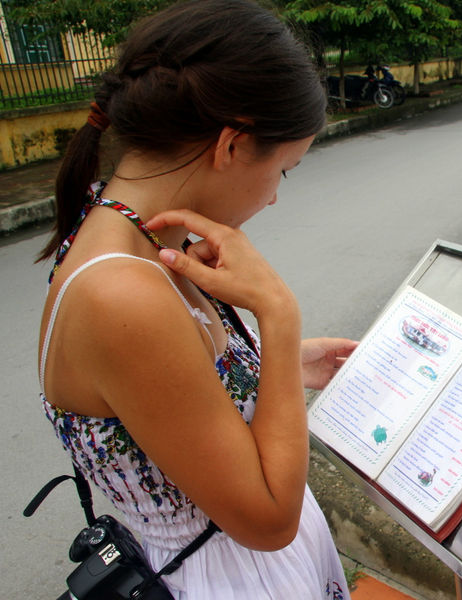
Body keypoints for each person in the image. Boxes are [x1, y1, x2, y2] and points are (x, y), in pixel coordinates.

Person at [36, 0, 357, 597]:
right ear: (231, 145)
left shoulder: (132, 232)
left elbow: (172, 392)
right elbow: (267, 520)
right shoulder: (123, 293)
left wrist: (272, 363)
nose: (274, 199)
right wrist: (279, 317)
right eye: (284, 170)